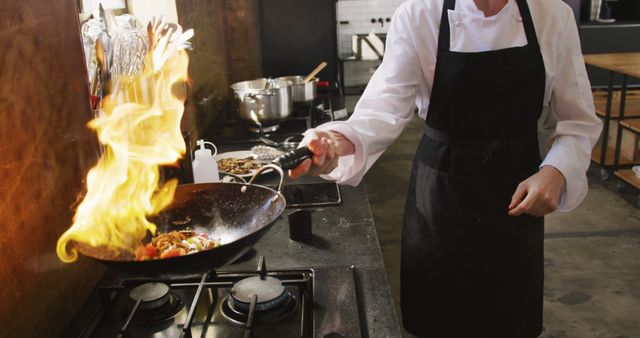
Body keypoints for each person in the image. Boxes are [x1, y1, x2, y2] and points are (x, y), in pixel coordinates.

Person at [289, 0, 603, 337]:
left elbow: (578, 120)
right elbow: (382, 109)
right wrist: (335, 142)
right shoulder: (419, 15)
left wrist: (556, 170)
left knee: (508, 321)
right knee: (440, 322)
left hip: (517, 198)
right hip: (441, 201)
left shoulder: (553, 15)